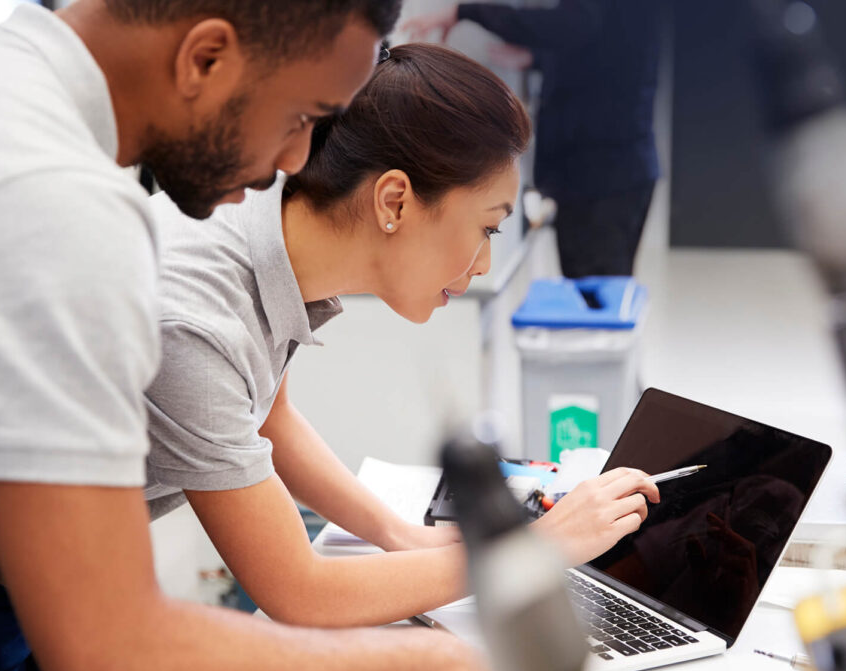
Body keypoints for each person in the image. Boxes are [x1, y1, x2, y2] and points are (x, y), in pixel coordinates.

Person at [0, 2, 530, 671]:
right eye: (303, 116)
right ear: (207, 58)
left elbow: (265, 414)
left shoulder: (9, 78)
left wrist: (400, 539)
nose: (300, 163)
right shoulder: (79, 218)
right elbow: (120, 656)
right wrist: (451, 661)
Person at [142, 42, 660, 630]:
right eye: (487, 227)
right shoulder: (200, 316)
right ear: (394, 200)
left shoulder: (267, 212)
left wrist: (397, 534)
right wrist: (534, 549)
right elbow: (301, 591)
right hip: (23, 565)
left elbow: (268, 413)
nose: (486, 262)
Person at [403, 0, 666, 279]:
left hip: (605, 177)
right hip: (603, 173)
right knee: (593, 291)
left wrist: (466, 12)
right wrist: (537, 58)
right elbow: (601, 48)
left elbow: (571, 25)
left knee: (596, 295)